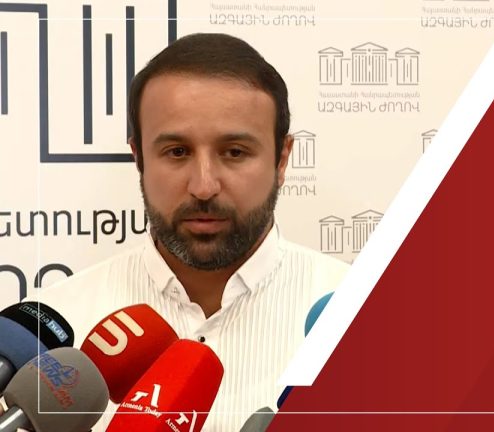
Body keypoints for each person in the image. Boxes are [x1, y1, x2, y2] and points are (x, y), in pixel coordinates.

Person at [25, 33, 349, 431]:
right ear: (139, 158)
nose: (203, 186)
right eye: (177, 152)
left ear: (282, 160)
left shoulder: (367, 323)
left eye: (234, 152)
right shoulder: (49, 342)